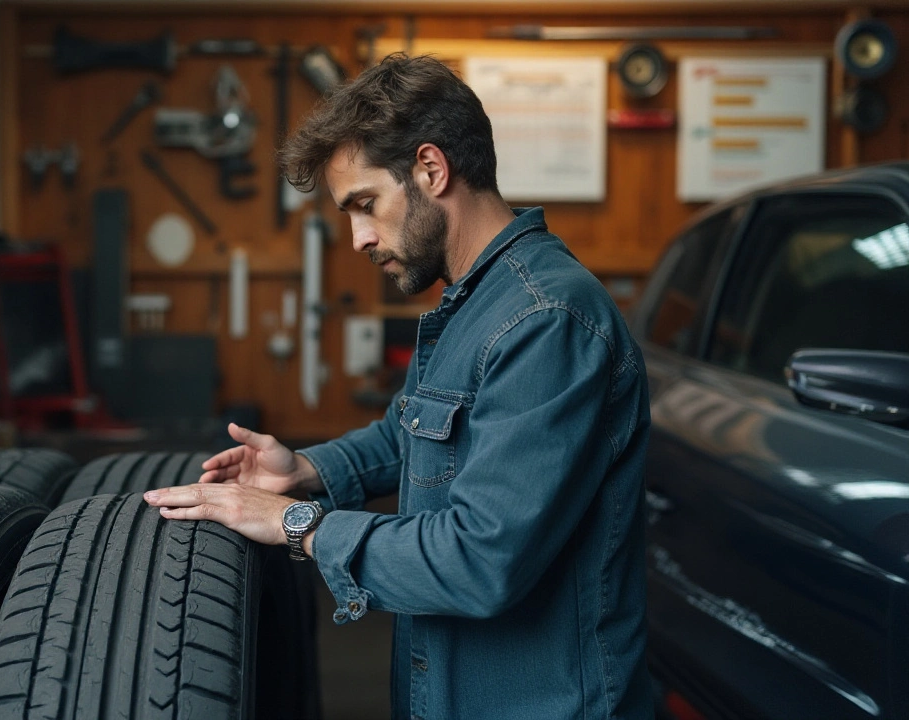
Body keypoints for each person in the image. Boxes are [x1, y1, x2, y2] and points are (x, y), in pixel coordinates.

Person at [143, 54, 652, 720]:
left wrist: (298, 525)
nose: (357, 238)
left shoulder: (545, 321)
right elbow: (409, 431)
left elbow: (480, 560)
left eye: (365, 205)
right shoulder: (473, 304)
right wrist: (306, 470)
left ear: (432, 170)